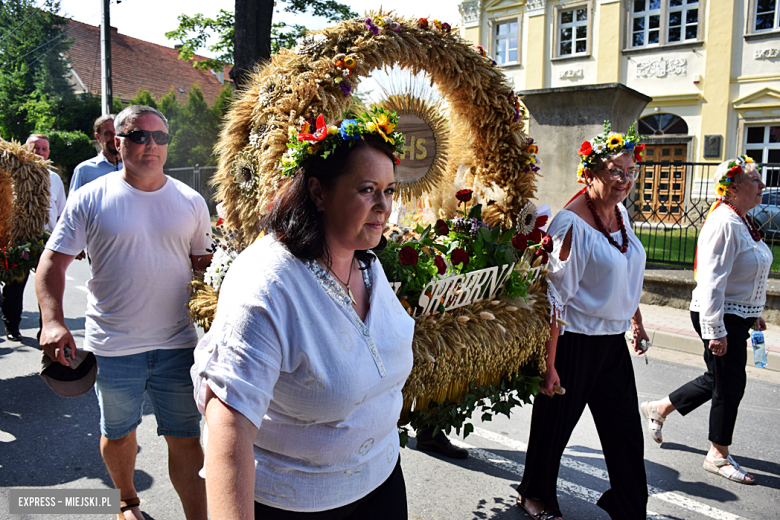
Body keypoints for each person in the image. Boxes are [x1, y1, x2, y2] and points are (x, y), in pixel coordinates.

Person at [192, 109, 414, 519]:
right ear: (318, 192)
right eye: (367, 189)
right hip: (300, 502)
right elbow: (229, 424)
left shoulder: (367, 263)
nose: (383, 206)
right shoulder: (268, 283)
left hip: (380, 481)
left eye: (389, 190)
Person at [36, 105, 211, 520]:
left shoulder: (190, 201)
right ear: (118, 142)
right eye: (138, 136)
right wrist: (53, 320)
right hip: (114, 346)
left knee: (186, 440)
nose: (150, 145)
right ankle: (127, 501)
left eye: (159, 137)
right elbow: (51, 264)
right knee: (118, 435)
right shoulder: (90, 198)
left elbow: (205, 269)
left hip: (178, 345)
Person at [516, 123, 649, 520]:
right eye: (615, 171)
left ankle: (628, 504)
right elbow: (555, 297)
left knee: (625, 430)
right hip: (573, 340)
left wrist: (635, 320)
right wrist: (550, 364)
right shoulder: (570, 224)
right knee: (554, 427)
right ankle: (535, 494)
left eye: (630, 172)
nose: (625, 180)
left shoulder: (620, 214)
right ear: (589, 174)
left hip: (611, 341)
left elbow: (627, 271)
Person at [640, 156, 770, 485]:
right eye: (756, 180)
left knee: (718, 378)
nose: (763, 186)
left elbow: (744, 273)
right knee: (729, 384)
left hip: (735, 313)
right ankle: (717, 455)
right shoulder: (724, 222)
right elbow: (712, 280)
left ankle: (660, 408)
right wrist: (716, 330)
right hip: (718, 313)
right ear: (735, 188)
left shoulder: (741, 219)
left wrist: (753, 313)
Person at [1, 134, 65, 341]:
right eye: (35, 147)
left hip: (48, 242)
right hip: (18, 240)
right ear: (24, 149)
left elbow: (61, 213)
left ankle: (44, 329)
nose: (40, 152)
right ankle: (12, 326)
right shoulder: (11, 174)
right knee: (14, 288)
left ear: (49, 153)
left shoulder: (55, 179)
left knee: (48, 288)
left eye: (44, 148)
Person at [69, 114, 122, 193]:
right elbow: (73, 204)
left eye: (117, 132)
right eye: (107, 133)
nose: (114, 137)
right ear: (98, 137)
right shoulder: (84, 170)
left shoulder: (136, 168)